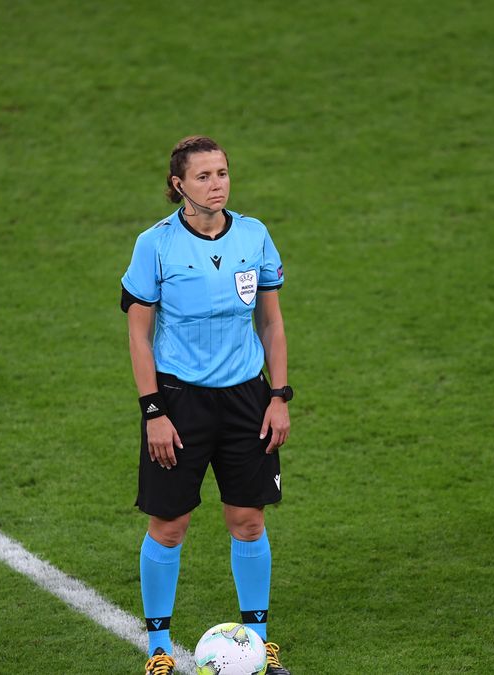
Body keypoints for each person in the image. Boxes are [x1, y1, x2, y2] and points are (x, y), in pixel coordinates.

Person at [121, 136, 293, 675]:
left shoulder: (254, 235)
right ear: (179, 185)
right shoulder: (156, 245)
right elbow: (139, 335)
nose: (216, 184)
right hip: (179, 401)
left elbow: (270, 321)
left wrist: (279, 396)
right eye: (203, 176)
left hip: (247, 398)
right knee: (169, 525)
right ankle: (158, 650)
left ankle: (260, 644)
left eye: (222, 173)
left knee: (247, 521)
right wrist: (153, 411)